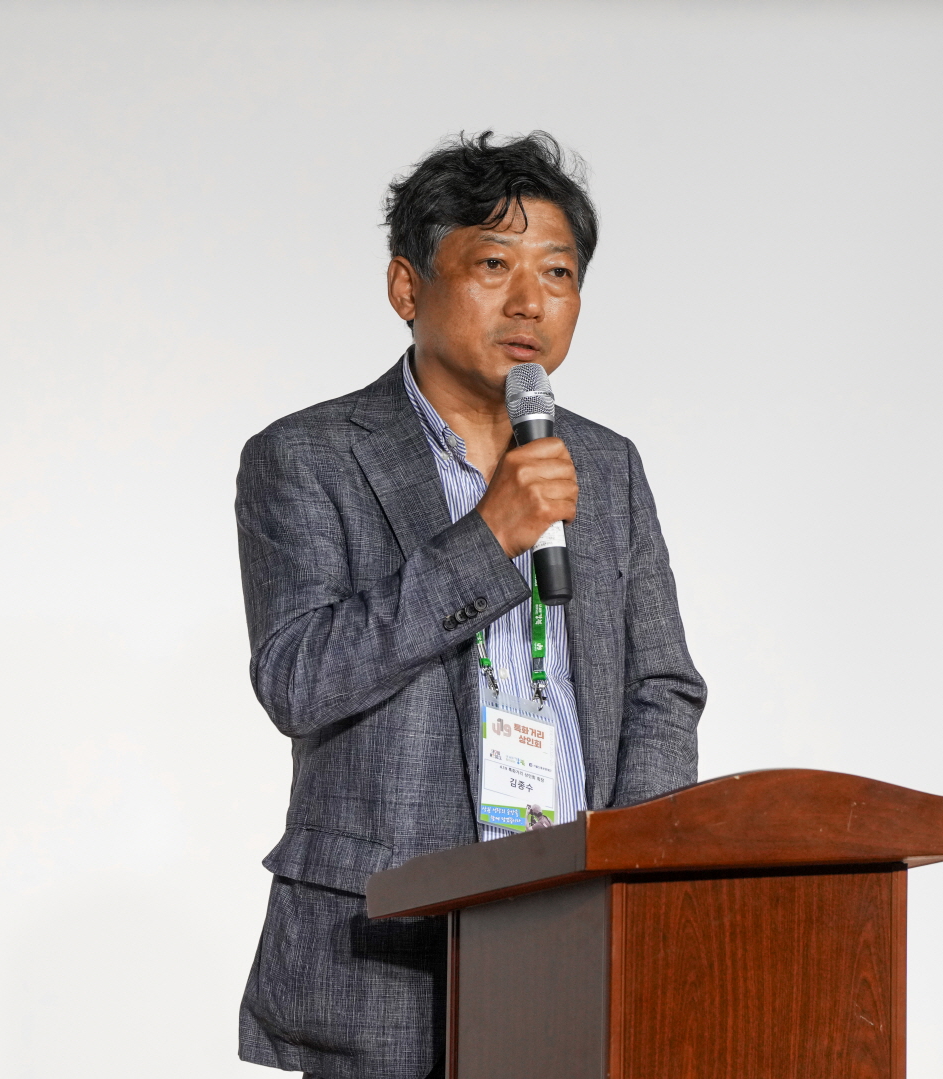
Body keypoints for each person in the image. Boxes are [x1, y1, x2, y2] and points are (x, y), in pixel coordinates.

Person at [233, 131, 705, 1079]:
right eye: (494, 265)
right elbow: (299, 678)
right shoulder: (309, 456)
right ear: (407, 287)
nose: (530, 300)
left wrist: (636, 877)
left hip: (579, 934)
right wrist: (488, 538)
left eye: (558, 272)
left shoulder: (607, 464)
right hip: (387, 948)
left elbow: (662, 687)